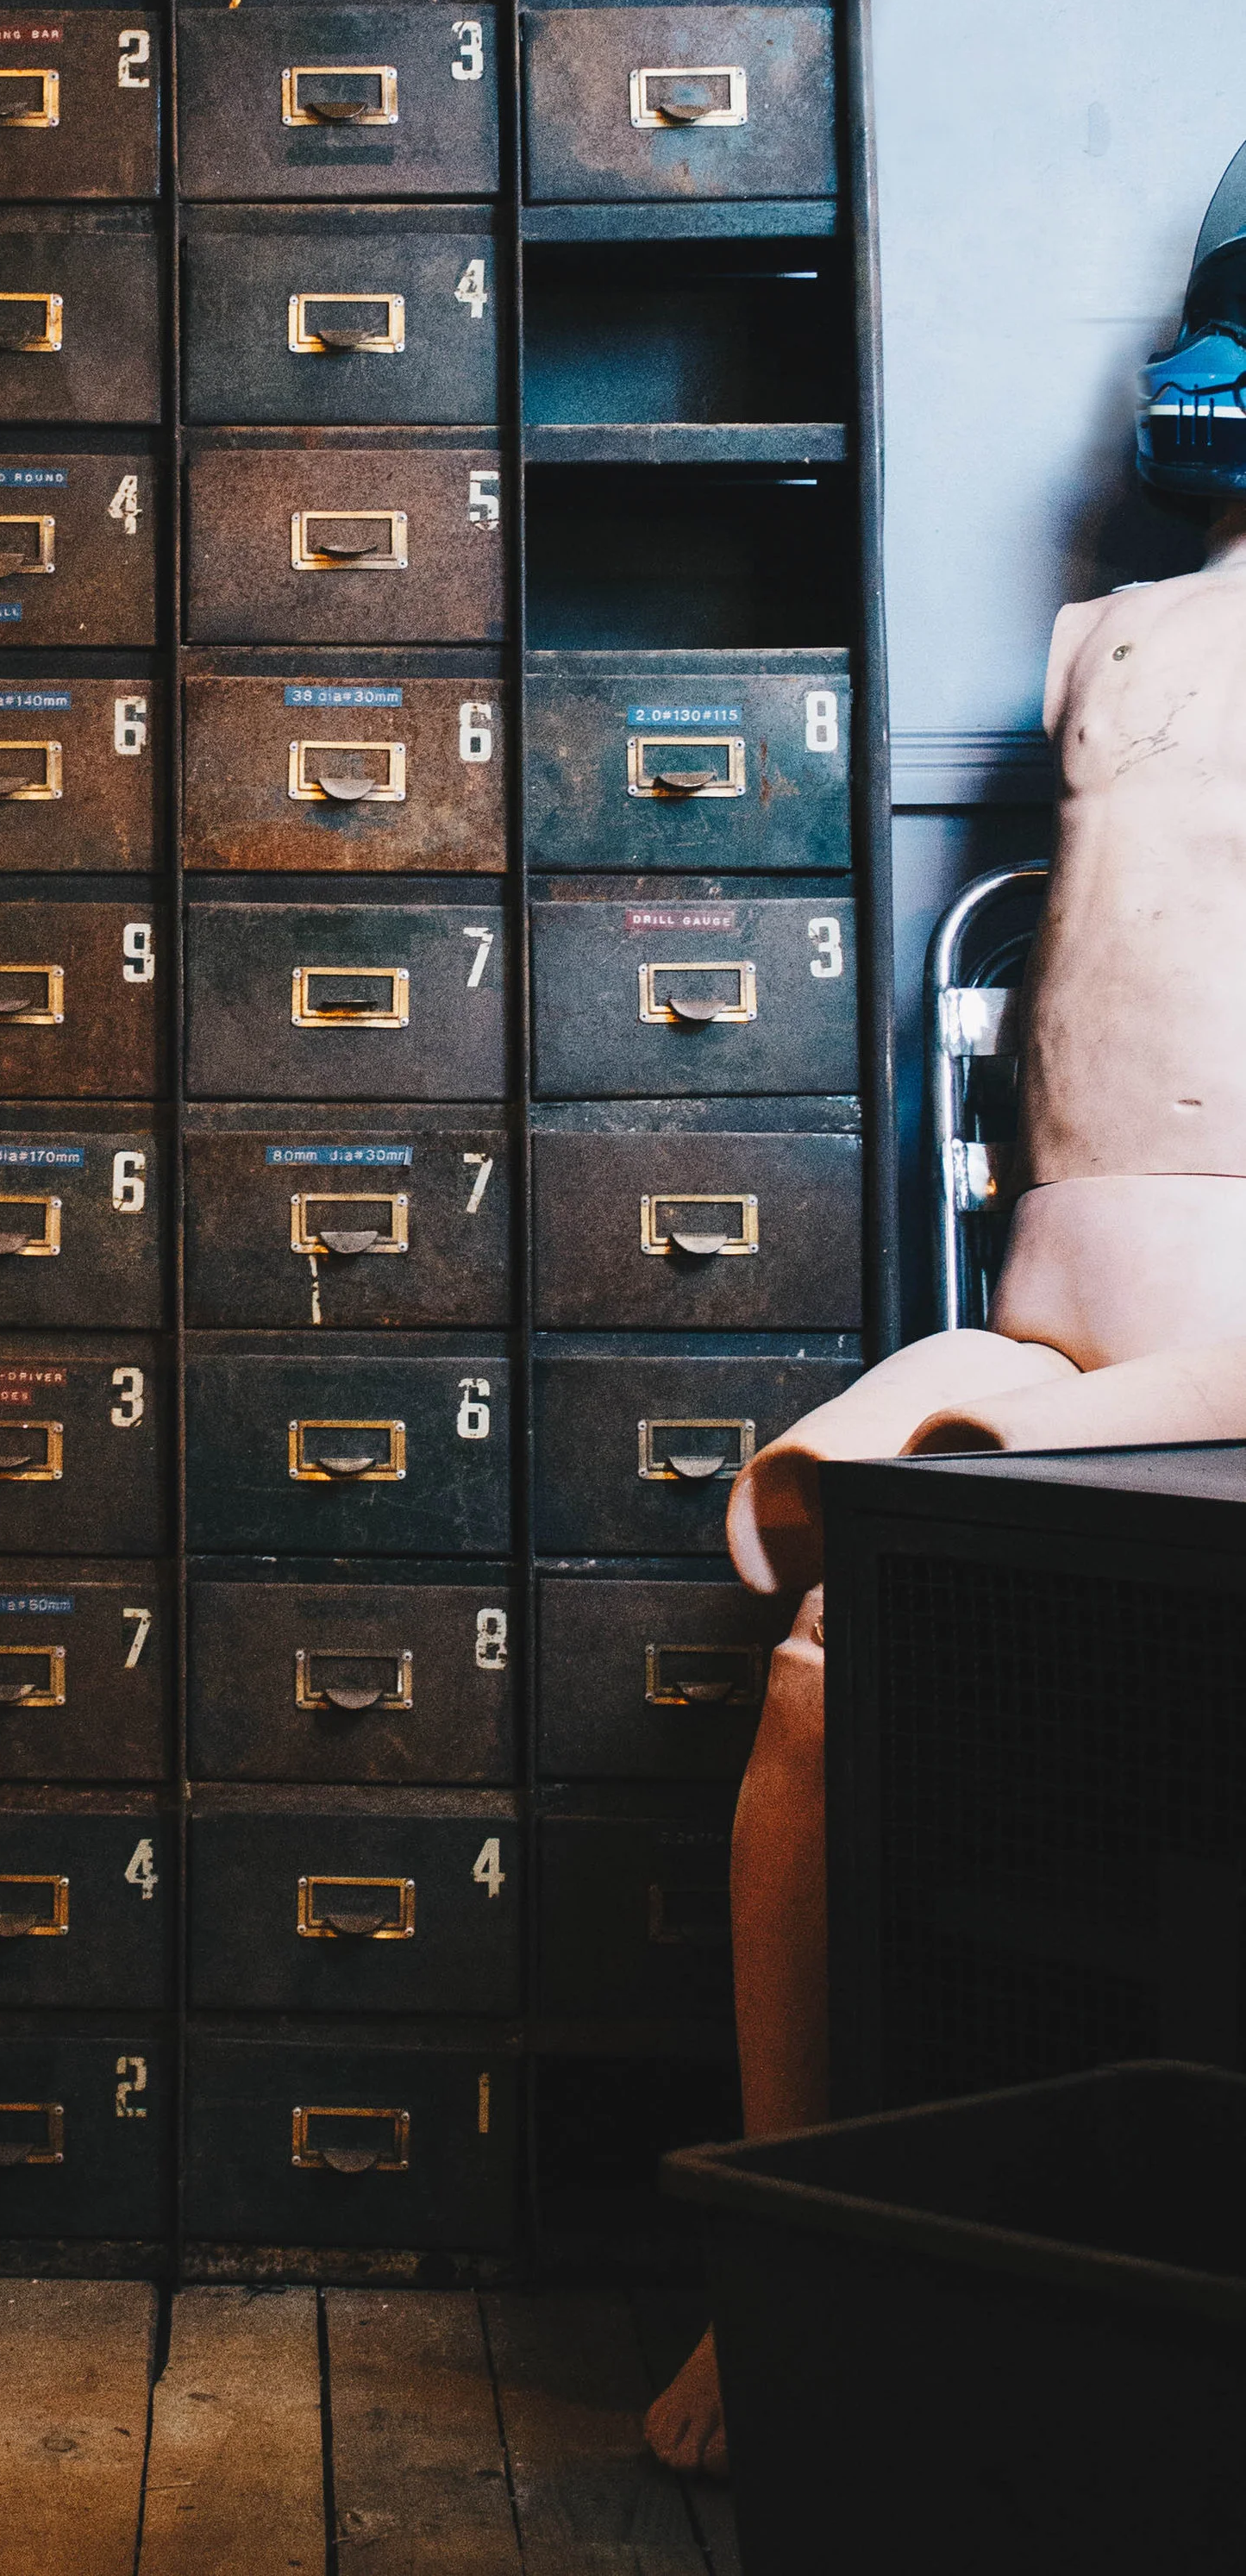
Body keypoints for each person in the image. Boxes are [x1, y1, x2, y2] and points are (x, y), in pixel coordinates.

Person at [648, 146, 1246, 2478]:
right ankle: (770, 2283)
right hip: (1075, 1321)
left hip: (1234, 1378)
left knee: (1016, 1467)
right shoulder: (1117, 638)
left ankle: (981, 1468)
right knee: (807, 1676)